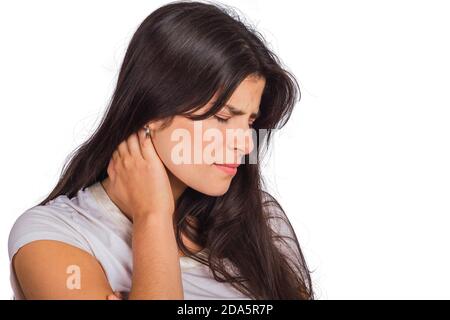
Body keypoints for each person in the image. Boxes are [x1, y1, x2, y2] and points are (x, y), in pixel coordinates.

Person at [8, 1, 313, 300]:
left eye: (250, 121)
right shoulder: (52, 236)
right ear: (153, 110)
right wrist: (152, 216)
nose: (246, 144)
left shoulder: (256, 219)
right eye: (222, 118)